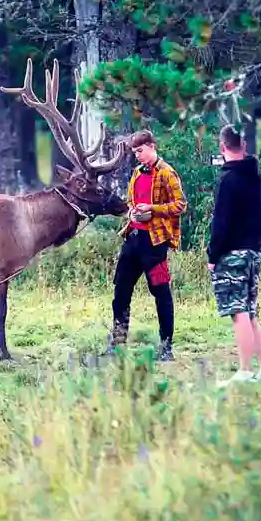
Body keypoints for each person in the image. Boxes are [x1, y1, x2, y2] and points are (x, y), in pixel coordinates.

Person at [108, 129, 187, 361]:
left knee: (161, 294)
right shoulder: (136, 173)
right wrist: (133, 210)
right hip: (133, 239)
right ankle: (117, 344)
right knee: (120, 291)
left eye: (140, 151)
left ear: (152, 146)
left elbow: (180, 205)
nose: (138, 156)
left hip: (155, 244)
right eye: (135, 152)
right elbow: (132, 198)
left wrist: (153, 209)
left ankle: (166, 347)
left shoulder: (166, 173)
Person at [207, 123, 261, 385]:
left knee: (239, 313)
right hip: (254, 250)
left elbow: (221, 223)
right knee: (250, 311)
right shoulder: (254, 175)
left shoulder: (228, 180)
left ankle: (245, 370)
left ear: (222, 147)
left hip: (233, 254)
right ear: (244, 146)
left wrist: (213, 257)